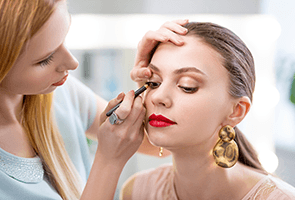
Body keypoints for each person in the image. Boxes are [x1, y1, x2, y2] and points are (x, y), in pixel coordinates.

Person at [0, 0, 188, 199]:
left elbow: (161, 146)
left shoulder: (61, 93)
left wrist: (152, 84)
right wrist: (108, 162)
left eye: (64, 40)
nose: (72, 63)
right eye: (45, 59)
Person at [121, 22, 295, 200]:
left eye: (187, 86)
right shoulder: (137, 191)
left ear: (236, 111)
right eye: (153, 83)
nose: (157, 97)